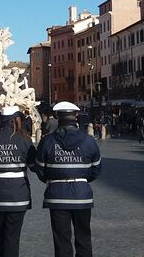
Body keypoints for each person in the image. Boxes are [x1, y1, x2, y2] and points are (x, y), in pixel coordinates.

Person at [35, 101, 101, 257]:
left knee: (62, 241)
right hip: (82, 195)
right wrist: (81, 179)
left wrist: (52, 180)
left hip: (57, 195)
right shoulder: (88, 141)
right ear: (76, 117)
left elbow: (40, 168)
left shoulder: (47, 141)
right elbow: (96, 168)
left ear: (58, 118)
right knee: (84, 239)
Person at [0, 106, 36, 257]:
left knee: (0, 233)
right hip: (19, 194)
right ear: (16, 120)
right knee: (12, 236)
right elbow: (35, 166)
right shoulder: (25, 140)